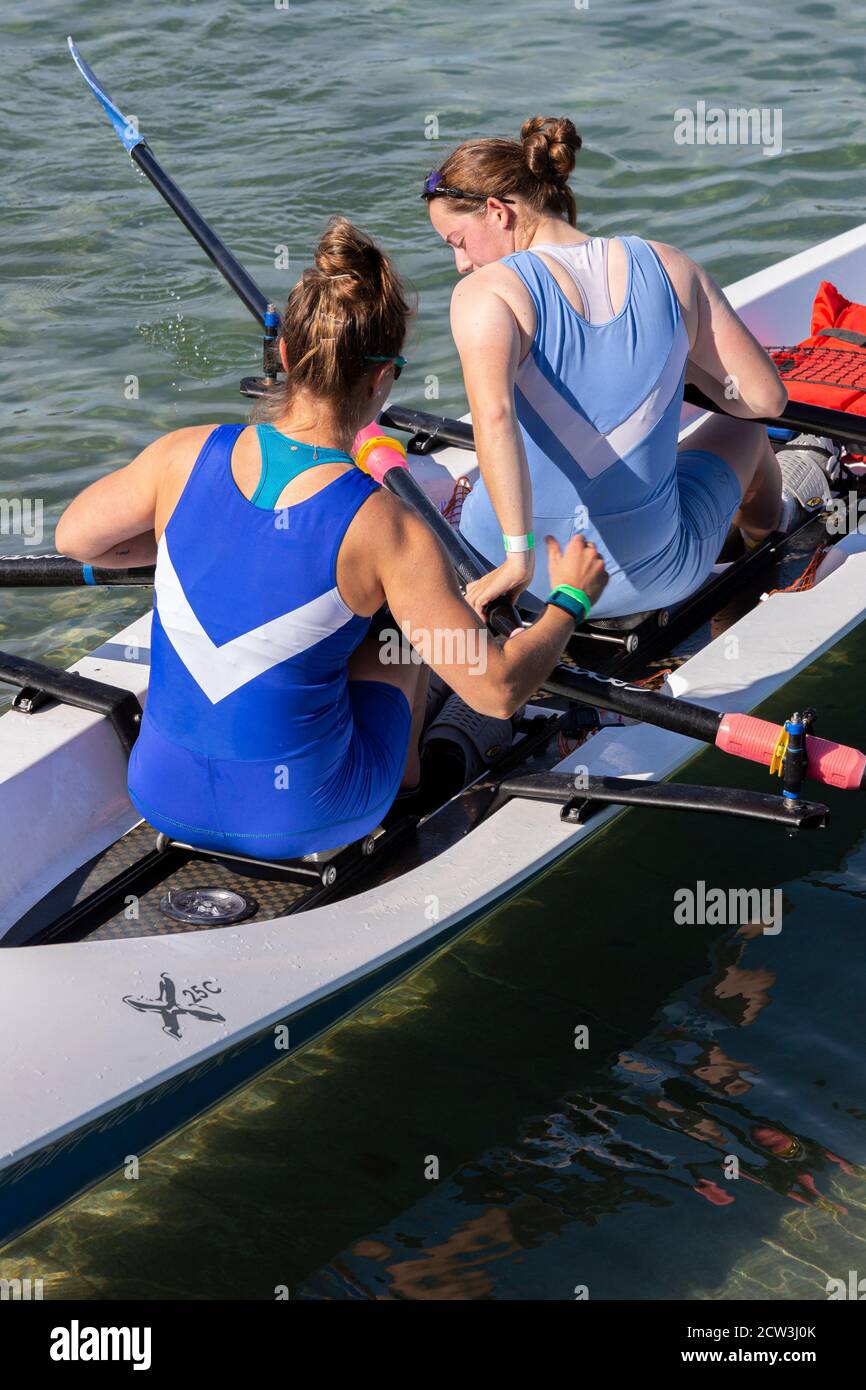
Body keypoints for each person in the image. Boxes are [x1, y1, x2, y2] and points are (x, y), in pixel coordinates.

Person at [56, 217, 607, 861]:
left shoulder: (180, 455)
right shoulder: (388, 527)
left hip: (157, 795)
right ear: (382, 380)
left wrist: (197, 536)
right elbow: (499, 689)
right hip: (306, 816)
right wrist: (572, 596)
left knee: (343, 623)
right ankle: (407, 789)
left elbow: (77, 539)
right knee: (397, 636)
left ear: (285, 357)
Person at [422, 116, 836, 620]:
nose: (462, 264)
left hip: (503, 571)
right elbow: (764, 400)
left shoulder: (485, 294)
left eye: (457, 242)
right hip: (648, 578)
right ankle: (764, 545)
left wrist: (517, 562)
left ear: (496, 212)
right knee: (748, 434)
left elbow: (495, 420)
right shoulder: (669, 265)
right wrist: (671, 365)